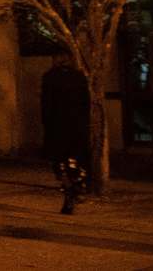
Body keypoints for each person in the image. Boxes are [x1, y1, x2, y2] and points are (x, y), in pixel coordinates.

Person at [42, 51, 90, 214]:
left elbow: (46, 105)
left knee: (58, 160)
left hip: (57, 125)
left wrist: (47, 124)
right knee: (76, 158)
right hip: (76, 125)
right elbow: (86, 103)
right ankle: (76, 182)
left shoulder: (49, 77)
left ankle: (68, 186)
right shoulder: (79, 77)